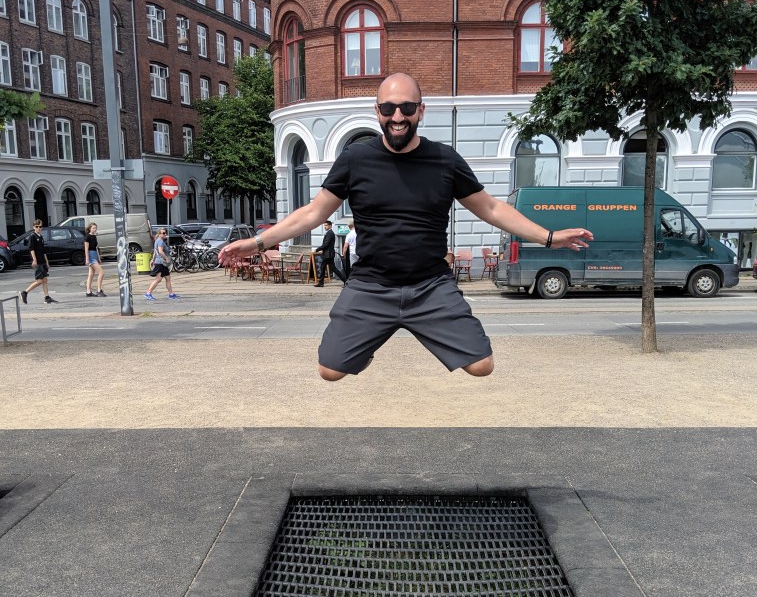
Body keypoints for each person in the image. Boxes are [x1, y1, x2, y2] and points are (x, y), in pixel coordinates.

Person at [219, 72, 593, 381]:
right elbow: (313, 213)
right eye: (388, 108)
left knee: (482, 366)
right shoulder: (355, 159)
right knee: (330, 370)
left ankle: (407, 327)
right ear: (377, 111)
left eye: (407, 108)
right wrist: (258, 242)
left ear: (420, 111)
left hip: (430, 285)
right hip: (371, 285)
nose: (397, 116)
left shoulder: (445, 160)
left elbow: (492, 208)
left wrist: (549, 237)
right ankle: (366, 344)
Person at [20, 219, 57, 305]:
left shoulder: (40, 237)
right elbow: (31, 249)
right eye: (37, 226)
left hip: (42, 261)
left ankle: (47, 297)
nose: (39, 228)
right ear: (34, 227)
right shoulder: (32, 236)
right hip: (37, 261)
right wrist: (34, 259)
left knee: (45, 280)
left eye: (40, 227)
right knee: (40, 280)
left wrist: (47, 261)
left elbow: (43, 251)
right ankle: (25, 292)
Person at [144, 228, 179, 300]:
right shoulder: (160, 242)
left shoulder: (157, 240)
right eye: (163, 233)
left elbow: (155, 251)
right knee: (158, 279)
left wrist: (153, 259)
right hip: (160, 263)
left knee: (168, 278)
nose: (165, 234)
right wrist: (166, 258)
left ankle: (171, 294)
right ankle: (148, 293)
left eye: (165, 233)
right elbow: (160, 251)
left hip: (162, 263)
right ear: (159, 234)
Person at [313, 220, 345, 287]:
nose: (325, 227)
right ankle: (321, 283)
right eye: (324, 225)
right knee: (328, 268)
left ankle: (321, 283)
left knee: (325, 267)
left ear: (330, 226)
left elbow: (326, 244)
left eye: (326, 225)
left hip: (328, 254)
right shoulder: (329, 233)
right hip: (328, 254)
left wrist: (317, 249)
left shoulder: (329, 233)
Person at [84, 223, 106, 297]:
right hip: (90, 256)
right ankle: (99, 290)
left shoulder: (94, 236)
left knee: (91, 274)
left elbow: (96, 248)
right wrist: (87, 259)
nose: (94, 229)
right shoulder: (87, 237)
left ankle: (88, 291)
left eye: (95, 228)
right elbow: (86, 249)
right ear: (89, 228)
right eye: (93, 228)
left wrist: (99, 258)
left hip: (94, 254)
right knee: (101, 272)